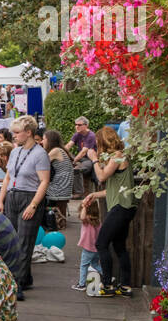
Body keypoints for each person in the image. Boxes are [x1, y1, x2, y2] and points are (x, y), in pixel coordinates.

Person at [0, 115, 50, 292]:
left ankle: (18, 283)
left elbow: (44, 181)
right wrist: (0, 200)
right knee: (12, 239)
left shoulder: (40, 154)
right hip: (13, 195)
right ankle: (24, 278)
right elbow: (7, 177)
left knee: (24, 242)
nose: (14, 135)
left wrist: (34, 204)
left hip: (29, 196)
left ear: (28, 133)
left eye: (17, 132)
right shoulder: (15, 151)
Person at [85, 126, 137, 298]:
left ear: (103, 142)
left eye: (98, 143)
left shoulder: (118, 156)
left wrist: (93, 160)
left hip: (121, 207)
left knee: (101, 243)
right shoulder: (117, 158)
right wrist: (94, 195)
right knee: (119, 246)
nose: (97, 148)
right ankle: (126, 286)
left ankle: (107, 285)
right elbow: (111, 190)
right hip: (125, 207)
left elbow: (101, 177)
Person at [43, 129, 74, 228]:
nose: (41, 142)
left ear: (49, 140)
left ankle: (45, 221)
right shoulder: (60, 150)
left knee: (35, 191)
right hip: (65, 186)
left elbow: (41, 163)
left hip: (59, 187)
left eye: (43, 139)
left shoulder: (55, 151)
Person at [73, 196, 103, 292]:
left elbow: (82, 217)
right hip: (96, 248)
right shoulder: (97, 221)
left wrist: (84, 206)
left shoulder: (87, 220)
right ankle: (107, 275)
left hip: (88, 248)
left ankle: (82, 285)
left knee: (84, 265)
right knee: (94, 264)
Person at [65, 115, 99, 189]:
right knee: (66, 158)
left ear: (86, 125)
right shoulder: (77, 134)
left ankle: (79, 192)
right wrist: (61, 153)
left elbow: (83, 152)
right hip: (81, 158)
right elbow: (68, 145)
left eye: (79, 125)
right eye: (76, 124)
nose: (77, 126)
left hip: (90, 159)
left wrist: (74, 161)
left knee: (78, 170)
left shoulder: (91, 135)